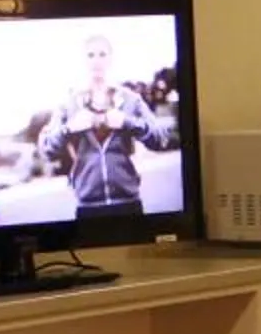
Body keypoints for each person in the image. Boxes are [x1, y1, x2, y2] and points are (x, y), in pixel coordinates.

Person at [36, 34, 174, 212]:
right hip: (87, 207)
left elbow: (161, 139)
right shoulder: (68, 105)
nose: (96, 61)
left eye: (102, 54)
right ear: (83, 61)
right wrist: (69, 129)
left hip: (129, 203)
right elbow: (47, 150)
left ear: (110, 59)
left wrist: (127, 122)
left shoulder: (130, 99)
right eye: (90, 55)